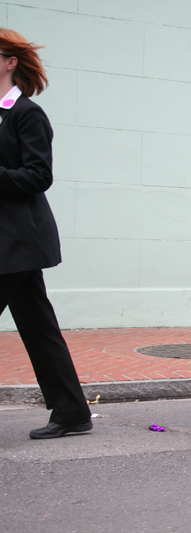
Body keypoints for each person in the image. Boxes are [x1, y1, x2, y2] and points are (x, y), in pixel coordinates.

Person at [0, 29, 92, 439]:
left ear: (9, 62)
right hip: (8, 243)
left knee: (39, 326)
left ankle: (72, 411)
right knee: (39, 327)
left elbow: (40, 175)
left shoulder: (26, 113)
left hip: (18, 240)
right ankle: (72, 411)